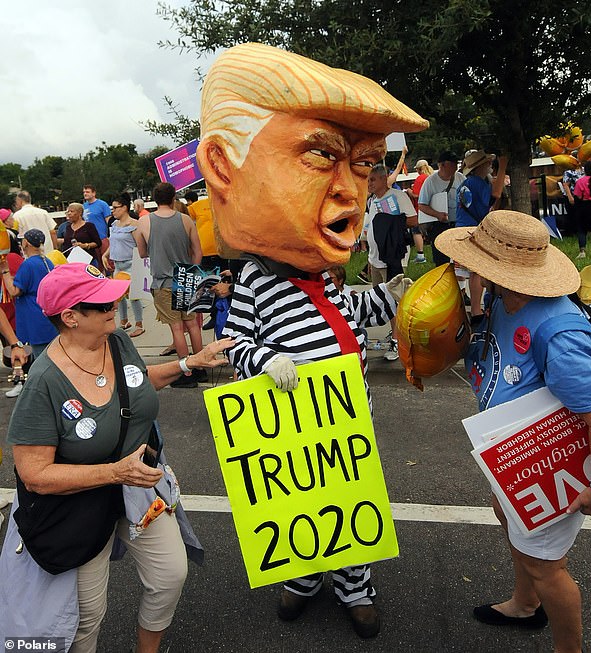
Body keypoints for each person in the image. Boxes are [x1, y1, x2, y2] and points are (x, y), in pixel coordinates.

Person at [196, 42, 426, 638]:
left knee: (349, 503)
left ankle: (355, 585)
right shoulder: (254, 279)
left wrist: (399, 295)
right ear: (224, 167)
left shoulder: (323, 280)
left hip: (347, 419)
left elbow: (349, 308)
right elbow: (236, 342)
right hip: (290, 422)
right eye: (321, 156)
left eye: (363, 165)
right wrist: (265, 357)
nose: (353, 191)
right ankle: (301, 578)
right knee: (299, 507)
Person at [0, 262, 234, 652]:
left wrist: (186, 363)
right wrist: (113, 472)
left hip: (137, 486)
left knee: (170, 576)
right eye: (102, 302)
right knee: (87, 615)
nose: (116, 304)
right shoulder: (43, 382)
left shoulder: (117, 339)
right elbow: (34, 474)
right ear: (71, 317)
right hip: (80, 505)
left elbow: (137, 382)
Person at [436, 210, 591, 653]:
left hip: (552, 468)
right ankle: (524, 605)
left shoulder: (558, 333)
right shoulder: (506, 298)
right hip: (516, 456)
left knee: (547, 567)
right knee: (511, 521)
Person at [134, 182, 205, 388]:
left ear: (154, 199)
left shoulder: (145, 222)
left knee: (176, 328)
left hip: (163, 281)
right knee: (192, 324)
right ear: (174, 197)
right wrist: (191, 272)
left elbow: (142, 252)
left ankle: (187, 371)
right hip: (186, 277)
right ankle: (201, 366)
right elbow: (197, 252)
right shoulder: (185, 219)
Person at [366, 164, 417, 361]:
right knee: (383, 300)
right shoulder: (372, 201)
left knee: (394, 299)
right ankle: (394, 332)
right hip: (376, 258)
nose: (369, 183)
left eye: (373, 179)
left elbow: (412, 220)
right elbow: (370, 225)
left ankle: (398, 341)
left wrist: (389, 223)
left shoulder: (398, 197)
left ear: (383, 179)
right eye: (368, 180)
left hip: (393, 257)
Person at [0, 229, 57, 394]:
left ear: (27, 243)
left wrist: (4, 271)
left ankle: (38, 391)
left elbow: (14, 291)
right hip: (44, 313)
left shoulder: (29, 264)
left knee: (39, 358)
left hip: (33, 316)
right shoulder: (47, 261)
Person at [455, 150, 509, 316]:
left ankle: (475, 309)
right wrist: (503, 167)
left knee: (472, 272)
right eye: (488, 163)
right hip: (473, 229)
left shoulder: (467, 183)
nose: (490, 165)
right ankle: (477, 311)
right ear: (481, 166)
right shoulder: (477, 183)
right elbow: (496, 194)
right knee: (477, 271)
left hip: (463, 227)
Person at [102, 193, 144, 337]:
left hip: (131, 263)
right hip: (118, 263)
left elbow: (140, 247)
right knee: (118, 295)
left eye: (115, 208)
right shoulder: (114, 224)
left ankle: (139, 324)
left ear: (124, 208)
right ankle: (124, 320)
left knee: (133, 295)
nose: (112, 211)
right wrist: (105, 255)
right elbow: (113, 242)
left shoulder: (134, 225)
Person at [418, 151, 465, 267]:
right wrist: (437, 214)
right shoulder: (430, 181)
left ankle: (460, 283)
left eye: (456, 163)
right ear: (442, 165)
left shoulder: (461, 178)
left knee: (460, 260)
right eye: (452, 163)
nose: (455, 166)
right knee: (441, 261)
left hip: (458, 223)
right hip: (439, 225)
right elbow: (422, 205)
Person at [561, 162, 585, 258]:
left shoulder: (584, 170)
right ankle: (572, 233)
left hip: (584, 197)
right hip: (573, 196)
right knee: (572, 216)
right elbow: (566, 184)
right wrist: (570, 197)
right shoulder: (568, 172)